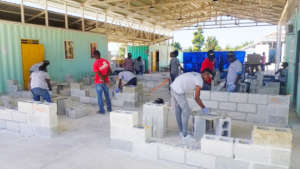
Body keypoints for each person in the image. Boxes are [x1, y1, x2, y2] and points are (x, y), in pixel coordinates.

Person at [170, 70, 212, 139]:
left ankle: (181, 131)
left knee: (178, 110)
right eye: (208, 77)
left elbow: (194, 93)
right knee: (186, 111)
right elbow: (196, 98)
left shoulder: (197, 74)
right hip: (178, 90)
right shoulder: (200, 81)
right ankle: (184, 135)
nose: (208, 80)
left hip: (174, 85)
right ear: (205, 74)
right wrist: (204, 108)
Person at [93, 50, 112, 114]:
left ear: (95, 55)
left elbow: (99, 74)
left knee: (100, 97)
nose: (93, 57)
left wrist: (103, 80)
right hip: (106, 81)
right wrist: (106, 79)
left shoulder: (95, 64)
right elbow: (110, 71)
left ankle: (102, 110)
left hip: (99, 82)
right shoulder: (105, 61)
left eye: (93, 56)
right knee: (107, 96)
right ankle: (109, 109)